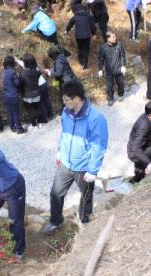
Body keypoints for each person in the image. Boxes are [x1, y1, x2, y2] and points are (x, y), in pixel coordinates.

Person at [43, 80, 108, 235]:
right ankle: (56, 220)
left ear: (77, 99)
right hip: (65, 163)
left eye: (67, 99)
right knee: (56, 193)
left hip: (83, 167)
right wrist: (60, 150)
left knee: (86, 197)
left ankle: (85, 222)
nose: (64, 103)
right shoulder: (66, 112)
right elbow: (64, 134)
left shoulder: (96, 119)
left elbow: (99, 146)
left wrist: (93, 170)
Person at [98, 31, 127, 106]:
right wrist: (100, 69)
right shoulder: (103, 48)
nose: (115, 38)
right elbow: (100, 59)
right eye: (113, 37)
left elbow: (122, 55)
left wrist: (123, 65)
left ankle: (121, 94)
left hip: (118, 69)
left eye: (115, 36)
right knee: (109, 86)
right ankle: (110, 98)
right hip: (109, 71)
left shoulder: (119, 45)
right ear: (108, 38)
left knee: (120, 83)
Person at [19, 53, 48, 127]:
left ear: (25, 63)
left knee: (30, 110)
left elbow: (20, 84)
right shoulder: (37, 72)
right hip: (37, 93)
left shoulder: (22, 73)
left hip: (27, 94)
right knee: (38, 108)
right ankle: (40, 122)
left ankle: (34, 124)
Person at [65, 4, 96, 69]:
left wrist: (66, 30)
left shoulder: (75, 16)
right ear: (85, 9)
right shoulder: (88, 16)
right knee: (86, 49)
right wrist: (94, 34)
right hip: (87, 36)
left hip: (78, 36)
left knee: (80, 48)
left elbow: (70, 23)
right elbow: (92, 26)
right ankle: (85, 63)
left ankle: (81, 62)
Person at [2, 55, 27, 134]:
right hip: (13, 95)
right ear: (12, 63)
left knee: (9, 112)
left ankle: (12, 127)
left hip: (6, 95)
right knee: (16, 112)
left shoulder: (4, 71)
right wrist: (19, 77)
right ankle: (19, 129)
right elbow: (17, 83)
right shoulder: (13, 71)